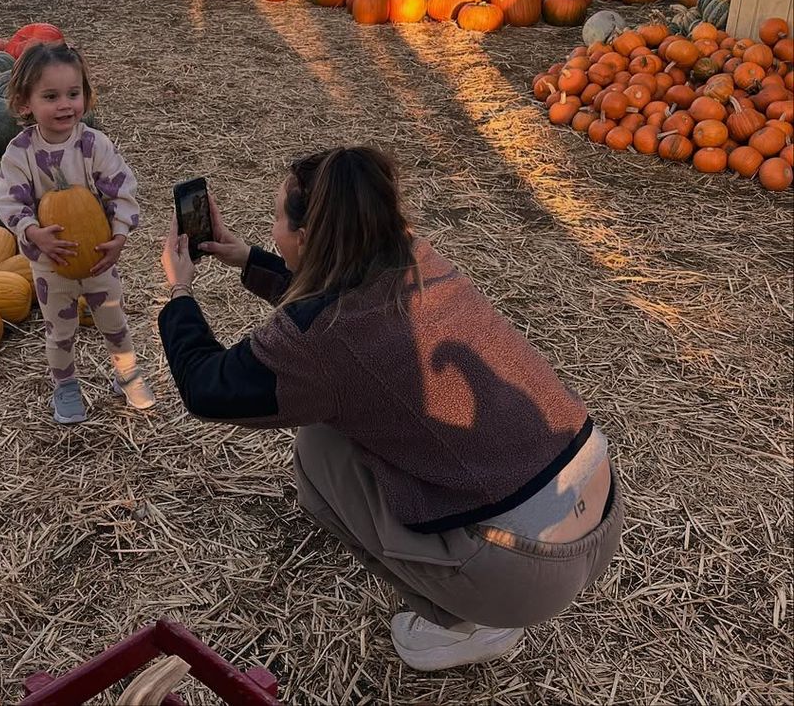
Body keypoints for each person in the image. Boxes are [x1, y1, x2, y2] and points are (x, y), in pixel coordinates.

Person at [157, 146, 622, 671]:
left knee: (318, 446)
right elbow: (340, 315)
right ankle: (473, 582)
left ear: (307, 239)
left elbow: (207, 386)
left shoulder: (323, 339)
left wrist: (179, 292)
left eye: (276, 218)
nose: (272, 230)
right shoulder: (417, 258)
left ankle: (469, 624)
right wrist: (248, 259)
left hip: (523, 576)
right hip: (600, 513)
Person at [0, 42, 155, 424]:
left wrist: (119, 236)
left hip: (99, 257)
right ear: (24, 103)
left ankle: (128, 374)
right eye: (50, 96)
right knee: (59, 331)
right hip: (52, 264)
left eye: (73, 93)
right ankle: (65, 386)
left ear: (86, 94)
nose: (65, 104)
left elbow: (121, 188)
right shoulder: (19, 154)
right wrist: (33, 233)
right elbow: (8, 201)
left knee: (114, 322)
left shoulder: (94, 145)